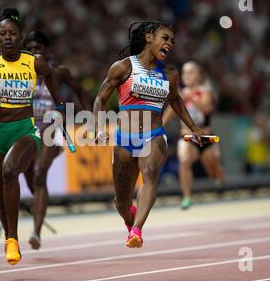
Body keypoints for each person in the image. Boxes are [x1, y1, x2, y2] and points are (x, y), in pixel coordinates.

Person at [93, 21, 204, 248]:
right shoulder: (123, 67)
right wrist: (98, 126)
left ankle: (137, 230)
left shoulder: (170, 74)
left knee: (151, 173)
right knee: (122, 203)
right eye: (165, 38)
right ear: (149, 37)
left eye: (172, 41)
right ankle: (129, 219)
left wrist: (193, 127)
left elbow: (175, 100)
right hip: (125, 138)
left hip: (153, 134)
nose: (170, 44)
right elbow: (100, 98)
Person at [0, 7, 61, 265]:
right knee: (0, 198)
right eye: (3, 33)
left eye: (13, 33)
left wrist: (62, 108)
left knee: (10, 171)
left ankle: (12, 237)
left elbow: (51, 75)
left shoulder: (33, 62)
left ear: (21, 37)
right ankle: (12, 240)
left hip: (26, 130)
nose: (8, 37)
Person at [22, 31, 92, 250]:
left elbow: (81, 90)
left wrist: (91, 120)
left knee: (39, 174)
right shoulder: (19, 71)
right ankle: (39, 205)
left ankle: (36, 232)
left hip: (50, 126)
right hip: (24, 127)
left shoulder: (58, 71)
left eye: (38, 48)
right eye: (30, 48)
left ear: (47, 51)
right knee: (31, 179)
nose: (34, 52)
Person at [162, 61, 225, 209]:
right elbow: (171, 111)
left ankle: (218, 178)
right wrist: (161, 125)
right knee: (184, 160)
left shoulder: (206, 91)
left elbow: (207, 108)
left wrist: (191, 98)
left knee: (213, 167)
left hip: (206, 137)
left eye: (191, 72)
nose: (187, 76)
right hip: (187, 137)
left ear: (199, 75)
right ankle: (187, 197)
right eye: (184, 73)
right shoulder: (180, 95)